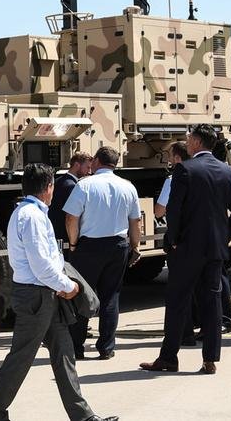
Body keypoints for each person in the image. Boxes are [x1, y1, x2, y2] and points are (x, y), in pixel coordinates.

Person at [0, 163, 117, 421]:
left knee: (64, 354)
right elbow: (42, 265)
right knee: (20, 358)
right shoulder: (32, 217)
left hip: (43, 295)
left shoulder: (27, 213)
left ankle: (83, 416)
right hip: (37, 296)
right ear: (48, 187)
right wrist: (69, 286)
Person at [140, 124, 231, 375]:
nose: (186, 143)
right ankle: (210, 360)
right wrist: (223, 237)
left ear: (197, 142)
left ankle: (169, 358)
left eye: (189, 139)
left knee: (177, 302)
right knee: (212, 302)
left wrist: (174, 239)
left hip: (186, 249)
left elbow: (174, 210)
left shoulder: (185, 169)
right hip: (214, 250)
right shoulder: (228, 171)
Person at [63, 147, 141, 360]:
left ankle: (76, 347)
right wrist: (135, 246)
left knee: (81, 295)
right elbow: (135, 221)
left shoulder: (84, 185)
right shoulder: (128, 186)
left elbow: (71, 218)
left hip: (89, 246)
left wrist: (73, 244)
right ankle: (106, 347)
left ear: (97, 161)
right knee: (111, 297)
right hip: (118, 245)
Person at [50, 152, 93, 241]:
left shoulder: (58, 181)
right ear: (77, 165)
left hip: (55, 233)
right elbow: (71, 216)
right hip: (65, 236)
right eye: (87, 167)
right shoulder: (72, 186)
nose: (89, 172)